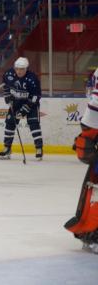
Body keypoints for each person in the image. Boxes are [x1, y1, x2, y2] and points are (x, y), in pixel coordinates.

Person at [65, 68, 98, 253]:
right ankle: (93, 234)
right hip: (95, 126)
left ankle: (90, 233)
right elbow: (95, 102)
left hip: (93, 125)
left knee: (94, 183)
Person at [0, 57, 43, 161]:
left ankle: (39, 148)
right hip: (15, 103)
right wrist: (7, 97)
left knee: (34, 124)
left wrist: (25, 109)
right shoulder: (9, 74)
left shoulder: (32, 79)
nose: (19, 71)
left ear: (26, 68)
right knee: (10, 123)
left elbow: (36, 96)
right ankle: (7, 148)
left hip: (30, 104)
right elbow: (5, 86)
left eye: (22, 69)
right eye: (17, 68)